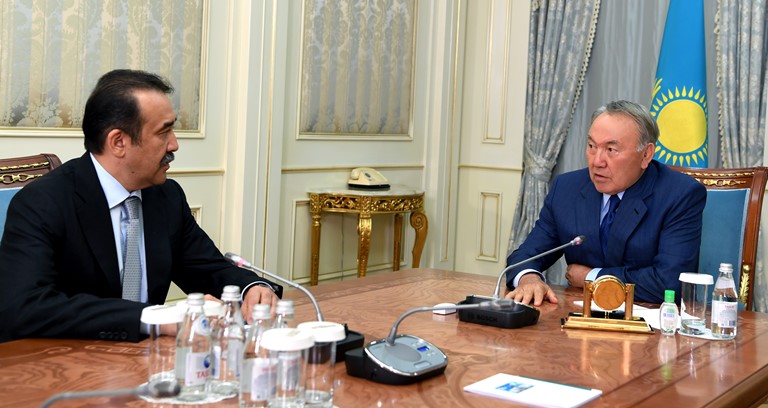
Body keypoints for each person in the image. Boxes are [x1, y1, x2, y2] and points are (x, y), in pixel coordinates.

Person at [0, 69, 282, 342]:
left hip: (147, 360)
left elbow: (207, 268)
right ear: (118, 142)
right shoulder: (44, 202)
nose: (174, 145)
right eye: (164, 132)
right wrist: (152, 318)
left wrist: (251, 288)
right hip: (65, 359)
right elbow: (25, 307)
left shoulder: (166, 196)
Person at [505, 100, 706, 305]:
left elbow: (670, 283)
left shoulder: (679, 195)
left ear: (646, 155)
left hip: (649, 319)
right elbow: (525, 256)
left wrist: (591, 278)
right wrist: (529, 278)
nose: (597, 161)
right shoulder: (566, 189)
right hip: (576, 315)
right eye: (592, 146)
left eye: (611, 150)